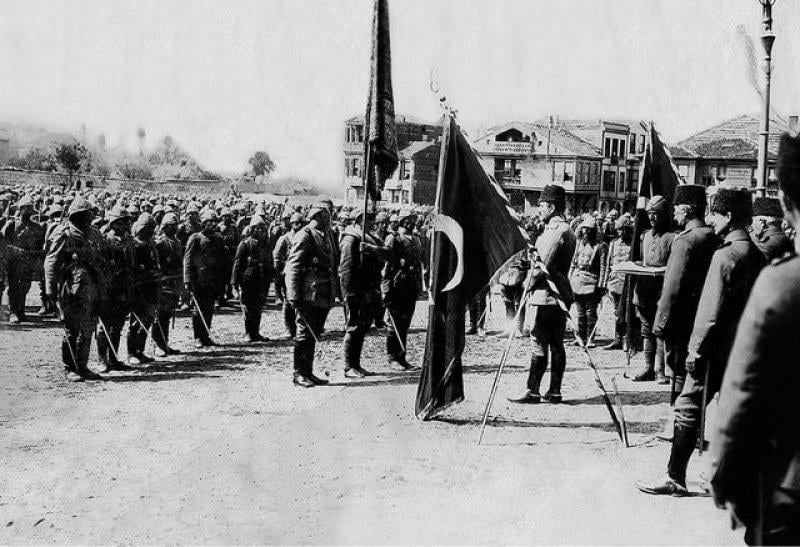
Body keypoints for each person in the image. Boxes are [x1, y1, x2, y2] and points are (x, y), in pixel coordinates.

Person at [636, 186, 765, 497]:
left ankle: (675, 477)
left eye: (716, 214)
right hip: (742, 349)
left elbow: (710, 311)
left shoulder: (726, 256)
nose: (711, 219)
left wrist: (695, 349)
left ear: (729, 216)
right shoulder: (757, 255)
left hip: (714, 349)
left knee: (688, 406)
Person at [709, 133, 800, 545]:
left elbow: (742, 392)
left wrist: (725, 476)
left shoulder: (782, 284)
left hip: (789, 488)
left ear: (787, 206)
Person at [509, 184, 576, 404]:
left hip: (545, 296)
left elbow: (541, 266)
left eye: (542, 206)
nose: (539, 210)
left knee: (539, 341)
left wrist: (525, 285)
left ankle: (533, 390)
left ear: (552, 206)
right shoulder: (565, 229)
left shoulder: (556, 230)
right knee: (557, 343)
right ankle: (554, 391)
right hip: (558, 296)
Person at [651, 184, 719, 401]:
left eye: (677, 208)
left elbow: (672, 288)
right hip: (703, 314)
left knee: (679, 370)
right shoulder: (713, 236)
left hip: (681, 318)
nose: (673, 213)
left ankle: (679, 424)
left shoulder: (685, 240)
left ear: (687, 210)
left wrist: (660, 323)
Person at [44, 196, 107, 382]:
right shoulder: (65, 234)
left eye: (90, 215)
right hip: (71, 290)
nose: (89, 218)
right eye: (85, 215)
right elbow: (51, 263)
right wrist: (50, 292)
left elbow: (101, 260)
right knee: (72, 330)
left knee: (88, 329)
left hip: (93, 289)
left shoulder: (95, 234)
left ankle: (82, 365)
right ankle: (70, 368)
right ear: (76, 216)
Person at [285, 202, 337, 387]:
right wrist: (293, 296)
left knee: (313, 333)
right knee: (304, 333)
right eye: (327, 213)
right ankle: (299, 373)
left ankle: (308, 372)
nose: (330, 216)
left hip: (323, 292)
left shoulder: (327, 234)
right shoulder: (304, 235)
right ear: (319, 214)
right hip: (308, 294)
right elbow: (293, 267)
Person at [631, 196, 675, 383]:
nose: (652, 218)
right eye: (650, 214)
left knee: (660, 331)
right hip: (644, 290)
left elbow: (674, 266)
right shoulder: (645, 236)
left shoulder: (673, 238)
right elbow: (645, 259)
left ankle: (660, 370)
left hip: (661, 291)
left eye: (656, 214)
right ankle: (648, 367)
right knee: (646, 329)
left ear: (664, 215)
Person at [338, 208, 385, 378]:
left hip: (368, 289)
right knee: (354, 326)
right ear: (358, 220)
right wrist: (350, 292)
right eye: (368, 219)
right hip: (355, 290)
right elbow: (346, 269)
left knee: (363, 326)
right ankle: (349, 366)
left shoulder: (368, 238)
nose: (372, 222)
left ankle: (356, 364)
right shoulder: (351, 238)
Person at [381, 208, 422, 371]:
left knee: (405, 323)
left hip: (410, 286)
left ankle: (402, 356)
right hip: (397, 286)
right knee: (395, 324)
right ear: (402, 221)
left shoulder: (415, 239)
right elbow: (386, 266)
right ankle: (393, 358)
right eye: (408, 220)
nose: (411, 222)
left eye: (413, 220)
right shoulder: (393, 238)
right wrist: (385, 289)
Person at [96, 206, 135, 372]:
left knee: (118, 325)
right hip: (109, 288)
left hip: (124, 288)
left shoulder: (127, 240)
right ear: (115, 223)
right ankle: (102, 359)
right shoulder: (106, 241)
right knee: (105, 325)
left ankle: (114, 358)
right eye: (124, 221)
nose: (128, 224)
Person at [183, 210, 226, 348]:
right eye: (209, 223)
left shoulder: (218, 238)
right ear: (203, 223)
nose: (212, 225)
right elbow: (188, 260)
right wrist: (188, 280)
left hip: (213, 280)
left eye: (214, 223)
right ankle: (198, 337)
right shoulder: (195, 238)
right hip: (199, 280)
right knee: (198, 309)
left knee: (209, 308)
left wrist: (223, 279)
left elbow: (222, 260)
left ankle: (206, 335)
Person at [2, 195, 45, 323]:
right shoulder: (11, 225)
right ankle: (14, 312)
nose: (29, 212)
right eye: (26, 209)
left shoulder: (36, 227)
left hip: (28, 262)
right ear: (20, 209)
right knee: (14, 286)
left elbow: (40, 245)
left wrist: (36, 254)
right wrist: (16, 251)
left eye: (31, 209)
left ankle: (21, 311)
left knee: (25, 286)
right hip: (14, 262)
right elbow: (4, 243)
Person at [231, 214, 274, 343]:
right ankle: (249, 332)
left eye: (262, 228)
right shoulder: (245, 244)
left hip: (262, 280)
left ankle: (256, 332)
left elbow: (270, 262)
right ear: (252, 229)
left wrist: (272, 275)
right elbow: (237, 264)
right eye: (257, 228)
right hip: (248, 281)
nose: (260, 231)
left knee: (258, 306)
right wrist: (234, 284)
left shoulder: (265, 245)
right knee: (248, 307)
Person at [569, 216, 608, 347]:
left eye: (589, 230)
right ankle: (580, 337)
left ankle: (590, 338)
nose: (586, 232)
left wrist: (602, 284)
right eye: (584, 229)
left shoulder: (600, 246)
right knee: (580, 312)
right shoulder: (579, 243)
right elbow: (573, 263)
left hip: (592, 281)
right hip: (578, 279)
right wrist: (569, 278)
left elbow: (603, 266)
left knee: (590, 312)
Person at [152, 212, 183, 357]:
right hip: (162, 283)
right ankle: (158, 345)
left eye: (176, 225)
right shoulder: (160, 243)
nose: (175, 227)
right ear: (165, 226)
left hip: (174, 283)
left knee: (167, 316)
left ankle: (164, 343)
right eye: (171, 225)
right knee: (159, 315)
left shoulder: (177, 242)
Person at [603, 215, 633, 350]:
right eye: (619, 230)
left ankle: (627, 340)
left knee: (626, 313)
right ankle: (617, 339)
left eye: (623, 229)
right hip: (615, 282)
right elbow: (609, 262)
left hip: (628, 282)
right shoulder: (613, 244)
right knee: (616, 312)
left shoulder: (634, 243)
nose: (621, 232)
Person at [273, 212, 304, 339]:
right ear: (291, 224)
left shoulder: (304, 237)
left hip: (301, 272)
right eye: (296, 223)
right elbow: (277, 256)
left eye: (301, 223)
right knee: (288, 301)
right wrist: (279, 273)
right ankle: (289, 329)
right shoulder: (284, 239)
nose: (299, 225)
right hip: (287, 273)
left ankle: (299, 328)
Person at [750, 196, 793, 262]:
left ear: (761, 221)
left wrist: (754, 237)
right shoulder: (784, 238)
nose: (752, 224)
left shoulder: (766, 244)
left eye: (754, 220)